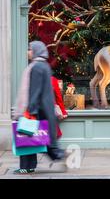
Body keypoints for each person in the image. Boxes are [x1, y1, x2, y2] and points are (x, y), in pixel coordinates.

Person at [13, 41, 65, 174]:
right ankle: (57, 155)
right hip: (44, 108)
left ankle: (27, 166)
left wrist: (30, 110)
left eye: (30, 49)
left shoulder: (36, 67)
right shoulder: (44, 66)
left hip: (37, 108)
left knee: (26, 136)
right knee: (34, 138)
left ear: (36, 51)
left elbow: (35, 91)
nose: (28, 52)